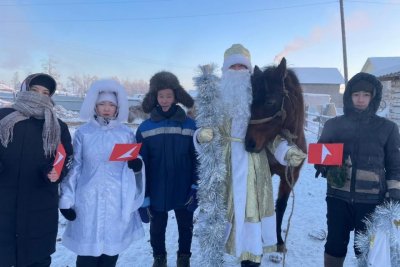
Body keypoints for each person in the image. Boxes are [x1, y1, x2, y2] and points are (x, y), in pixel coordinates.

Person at [194, 44, 306, 267]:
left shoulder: (258, 96)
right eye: (233, 67)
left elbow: (271, 133)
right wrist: (200, 136)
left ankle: (251, 257)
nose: (237, 71)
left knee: (251, 213)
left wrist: (287, 152)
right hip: (222, 166)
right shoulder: (214, 100)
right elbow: (203, 128)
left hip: (253, 166)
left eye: (242, 67)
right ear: (225, 71)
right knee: (219, 218)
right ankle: (216, 256)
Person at [314, 72, 400, 267]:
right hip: (337, 198)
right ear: (349, 96)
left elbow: (395, 165)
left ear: (373, 97)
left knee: (366, 250)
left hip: (371, 201)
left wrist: (394, 194)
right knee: (334, 246)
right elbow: (320, 155)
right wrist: (325, 165)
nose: (360, 99)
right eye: (356, 94)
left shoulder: (388, 128)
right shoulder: (333, 125)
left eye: (366, 95)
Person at [59, 79, 145, 267]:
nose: (106, 108)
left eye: (111, 104)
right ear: (94, 106)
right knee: (86, 257)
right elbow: (75, 167)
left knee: (110, 255)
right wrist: (66, 199)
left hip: (117, 201)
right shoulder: (84, 133)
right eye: (102, 104)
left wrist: (137, 167)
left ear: (117, 108)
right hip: (88, 201)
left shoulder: (126, 134)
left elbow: (132, 167)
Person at [0, 73, 73, 267]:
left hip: (40, 203)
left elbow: (66, 157)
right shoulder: (3, 117)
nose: (39, 95)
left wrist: (57, 172)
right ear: (24, 90)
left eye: (45, 92)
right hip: (4, 200)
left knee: (36, 258)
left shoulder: (58, 126)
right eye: (34, 90)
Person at [136, 71, 198, 267]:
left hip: (183, 185)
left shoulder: (190, 125)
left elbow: (197, 157)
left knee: (186, 226)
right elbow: (141, 162)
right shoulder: (144, 127)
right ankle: (159, 258)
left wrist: (196, 185)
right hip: (157, 187)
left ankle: (184, 257)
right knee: (157, 228)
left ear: (176, 96)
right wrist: (143, 194)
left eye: (169, 95)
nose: (164, 100)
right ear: (154, 97)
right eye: (160, 96)